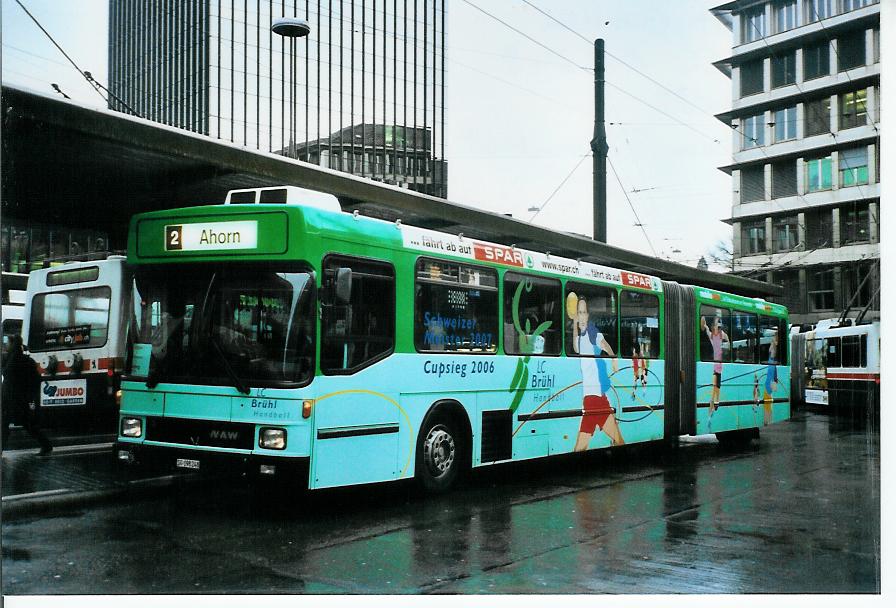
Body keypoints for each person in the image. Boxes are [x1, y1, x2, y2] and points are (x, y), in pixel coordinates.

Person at [572, 297, 623, 450]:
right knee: (581, 447)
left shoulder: (592, 332)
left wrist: (614, 359)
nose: (581, 316)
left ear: (587, 315)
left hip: (596, 400)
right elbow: (575, 348)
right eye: (578, 313)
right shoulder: (580, 337)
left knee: (581, 447)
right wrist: (574, 324)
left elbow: (604, 345)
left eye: (583, 312)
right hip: (590, 400)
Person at [2, 335, 52, 455]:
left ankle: (46, 444)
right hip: (16, 398)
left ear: (12, 344)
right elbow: (36, 379)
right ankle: (46, 444)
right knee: (26, 424)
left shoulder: (13, 359)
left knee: (6, 423)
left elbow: (11, 376)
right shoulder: (23, 359)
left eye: (8, 343)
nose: (6, 345)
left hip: (13, 398)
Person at [701, 314, 729, 429]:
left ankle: (714, 408)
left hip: (719, 367)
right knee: (713, 392)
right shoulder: (712, 335)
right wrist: (703, 319)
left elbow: (728, 341)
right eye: (715, 324)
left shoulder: (722, 335)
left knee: (717, 391)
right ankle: (709, 417)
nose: (716, 326)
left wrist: (726, 348)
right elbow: (705, 327)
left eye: (718, 324)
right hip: (715, 367)